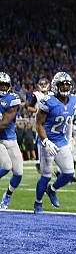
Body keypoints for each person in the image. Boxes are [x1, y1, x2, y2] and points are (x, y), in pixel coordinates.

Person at [33, 72, 76, 214]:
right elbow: (39, 124)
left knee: (68, 172)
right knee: (46, 175)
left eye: (67, 84)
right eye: (62, 84)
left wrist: (70, 139)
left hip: (61, 141)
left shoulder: (74, 100)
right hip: (47, 142)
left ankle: (51, 190)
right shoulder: (48, 101)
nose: (65, 87)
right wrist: (45, 141)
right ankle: (38, 203)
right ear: (55, 86)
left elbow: (69, 121)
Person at [0, 72, 24, 209]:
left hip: (10, 139)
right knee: (6, 166)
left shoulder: (12, 99)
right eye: (0, 85)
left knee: (18, 173)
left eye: (4, 85)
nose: (2, 88)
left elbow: (4, 124)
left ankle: (7, 195)